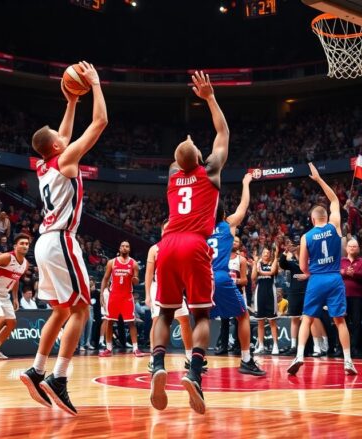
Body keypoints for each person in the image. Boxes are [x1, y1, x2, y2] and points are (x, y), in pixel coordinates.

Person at [20, 61, 106, 417]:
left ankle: (36, 369)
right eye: (59, 135)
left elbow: (63, 137)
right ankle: (59, 377)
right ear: (56, 144)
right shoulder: (65, 159)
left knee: (60, 310)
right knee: (82, 309)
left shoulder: (44, 164)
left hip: (44, 242)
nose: (63, 135)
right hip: (61, 241)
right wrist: (95, 84)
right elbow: (100, 123)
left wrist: (71, 101)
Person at [150, 71, 228, 416]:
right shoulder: (209, 171)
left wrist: (187, 148)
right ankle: (194, 372)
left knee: (165, 312)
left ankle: (157, 365)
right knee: (201, 315)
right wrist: (209, 98)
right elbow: (223, 134)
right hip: (195, 244)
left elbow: (180, 157)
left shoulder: (171, 175)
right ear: (199, 158)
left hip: (166, 243)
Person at [287, 163, 357, 376]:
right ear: (326, 217)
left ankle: (299, 355)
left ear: (312, 219)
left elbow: (302, 266)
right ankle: (348, 361)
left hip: (316, 279)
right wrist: (318, 179)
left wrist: (309, 272)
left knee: (307, 318)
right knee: (340, 321)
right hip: (335, 278)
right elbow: (335, 200)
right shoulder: (334, 225)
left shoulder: (306, 236)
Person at [208, 173, 265, 375]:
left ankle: (194, 361)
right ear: (224, 214)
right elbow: (243, 205)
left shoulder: (199, 228)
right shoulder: (228, 225)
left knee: (201, 319)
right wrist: (245, 183)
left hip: (202, 278)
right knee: (242, 315)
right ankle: (246, 360)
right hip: (220, 276)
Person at [145, 225, 194, 373]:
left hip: (175, 287)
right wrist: (147, 295)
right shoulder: (154, 249)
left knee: (185, 320)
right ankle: (153, 359)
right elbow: (149, 274)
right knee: (156, 321)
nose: (168, 231)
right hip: (158, 287)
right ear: (161, 232)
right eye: (165, 229)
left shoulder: (180, 247)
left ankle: (190, 357)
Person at [279, 237, 328, 357]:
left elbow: (318, 272)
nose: (295, 247)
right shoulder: (291, 261)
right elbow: (282, 264)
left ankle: (319, 346)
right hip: (294, 293)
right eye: (293, 244)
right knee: (294, 318)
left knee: (312, 318)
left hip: (309, 291)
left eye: (297, 245)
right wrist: (286, 251)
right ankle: (294, 346)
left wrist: (307, 276)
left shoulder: (310, 259)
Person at [99, 241, 144, 357]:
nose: (125, 248)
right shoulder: (112, 262)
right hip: (114, 296)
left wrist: (135, 280)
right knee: (109, 321)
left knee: (131, 322)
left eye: (127, 246)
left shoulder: (134, 263)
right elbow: (105, 278)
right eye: (123, 246)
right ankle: (108, 348)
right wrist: (101, 294)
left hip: (127, 297)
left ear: (129, 249)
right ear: (119, 248)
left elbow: (136, 280)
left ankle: (136, 349)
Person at [340, 238, 362, 357]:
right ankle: (341, 348)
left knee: (357, 323)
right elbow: (336, 273)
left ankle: (356, 348)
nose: (352, 248)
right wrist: (344, 272)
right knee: (342, 323)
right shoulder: (341, 261)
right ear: (346, 248)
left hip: (357, 296)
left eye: (354, 246)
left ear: (358, 249)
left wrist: (352, 274)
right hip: (342, 297)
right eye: (350, 246)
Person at [252, 246, 281, 355]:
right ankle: (261, 346)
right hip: (259, 293)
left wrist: (261, 271)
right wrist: (255, 263)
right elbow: (253, 277)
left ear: (270, 254)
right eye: (264, 252)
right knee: (260, 322)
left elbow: (272, 272)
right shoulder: (258, 263)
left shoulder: (273, 262)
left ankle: (275, 346)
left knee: (272, 321)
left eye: (268, 252)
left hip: (270, 293)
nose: (266, 254)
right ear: (261, 254)